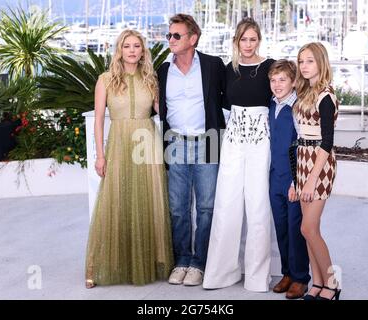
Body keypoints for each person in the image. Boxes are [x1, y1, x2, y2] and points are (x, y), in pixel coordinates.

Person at [85, 29, 174, 288]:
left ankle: (153, 263)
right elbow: (99, 119)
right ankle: (99, 266)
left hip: (147, 142)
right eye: (127, 46)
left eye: (137, 46)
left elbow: (161, 110)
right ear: (120, 50)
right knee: (116, 201)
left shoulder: (151, 78)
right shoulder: (105, 79)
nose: (132, 50)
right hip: (119, 144)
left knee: (149, 200)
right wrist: (100, 156)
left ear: (142, 50)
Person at [203, 17, 275, 292]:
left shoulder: (269, 67)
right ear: (236, 41)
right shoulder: (227, 69)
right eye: (243, 39)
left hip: (261, 138)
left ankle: (257, 277)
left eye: (253, 39)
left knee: (257, 206)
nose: (248, 44)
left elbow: (280, 96)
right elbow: (220, 102)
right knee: (226, 203)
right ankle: (222, 273)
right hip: (233, 137)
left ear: (259, 40)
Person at [157, 13, 226, 286]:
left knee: (207, 207)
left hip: (207, 140)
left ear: (193, 38)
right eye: (169, 35)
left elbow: (230, 97)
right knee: (177, 207)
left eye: (176, 35)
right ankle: (182, 260)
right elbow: (156, 104)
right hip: (175, 144)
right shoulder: (163, 70)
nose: (170, 40)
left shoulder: (212, 65)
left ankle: (200, 263)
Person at [294, 42, 341, 300]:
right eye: (301, 61)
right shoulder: (306, 92)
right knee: (311, 228)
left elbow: (327, 141)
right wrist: (297, 178)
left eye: (309, 61)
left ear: (320, 62)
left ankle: (333, 282)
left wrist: (311, 180)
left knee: (308, 228)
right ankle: (318, 282)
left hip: (319, 165)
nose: (304, 66)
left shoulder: (325, 96)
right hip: (302, 160)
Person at [268, 59, 310, 299]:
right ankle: (287, 272)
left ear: (294, 82)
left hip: (293, 178)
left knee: (296, 229)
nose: (277, 85)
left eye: (282, 80)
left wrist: (297, 182)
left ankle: (300, 277)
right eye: (273, 80)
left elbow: (303, 147)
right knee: (281, 228)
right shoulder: (272, 105)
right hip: (275, 176)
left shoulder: (297, 108)